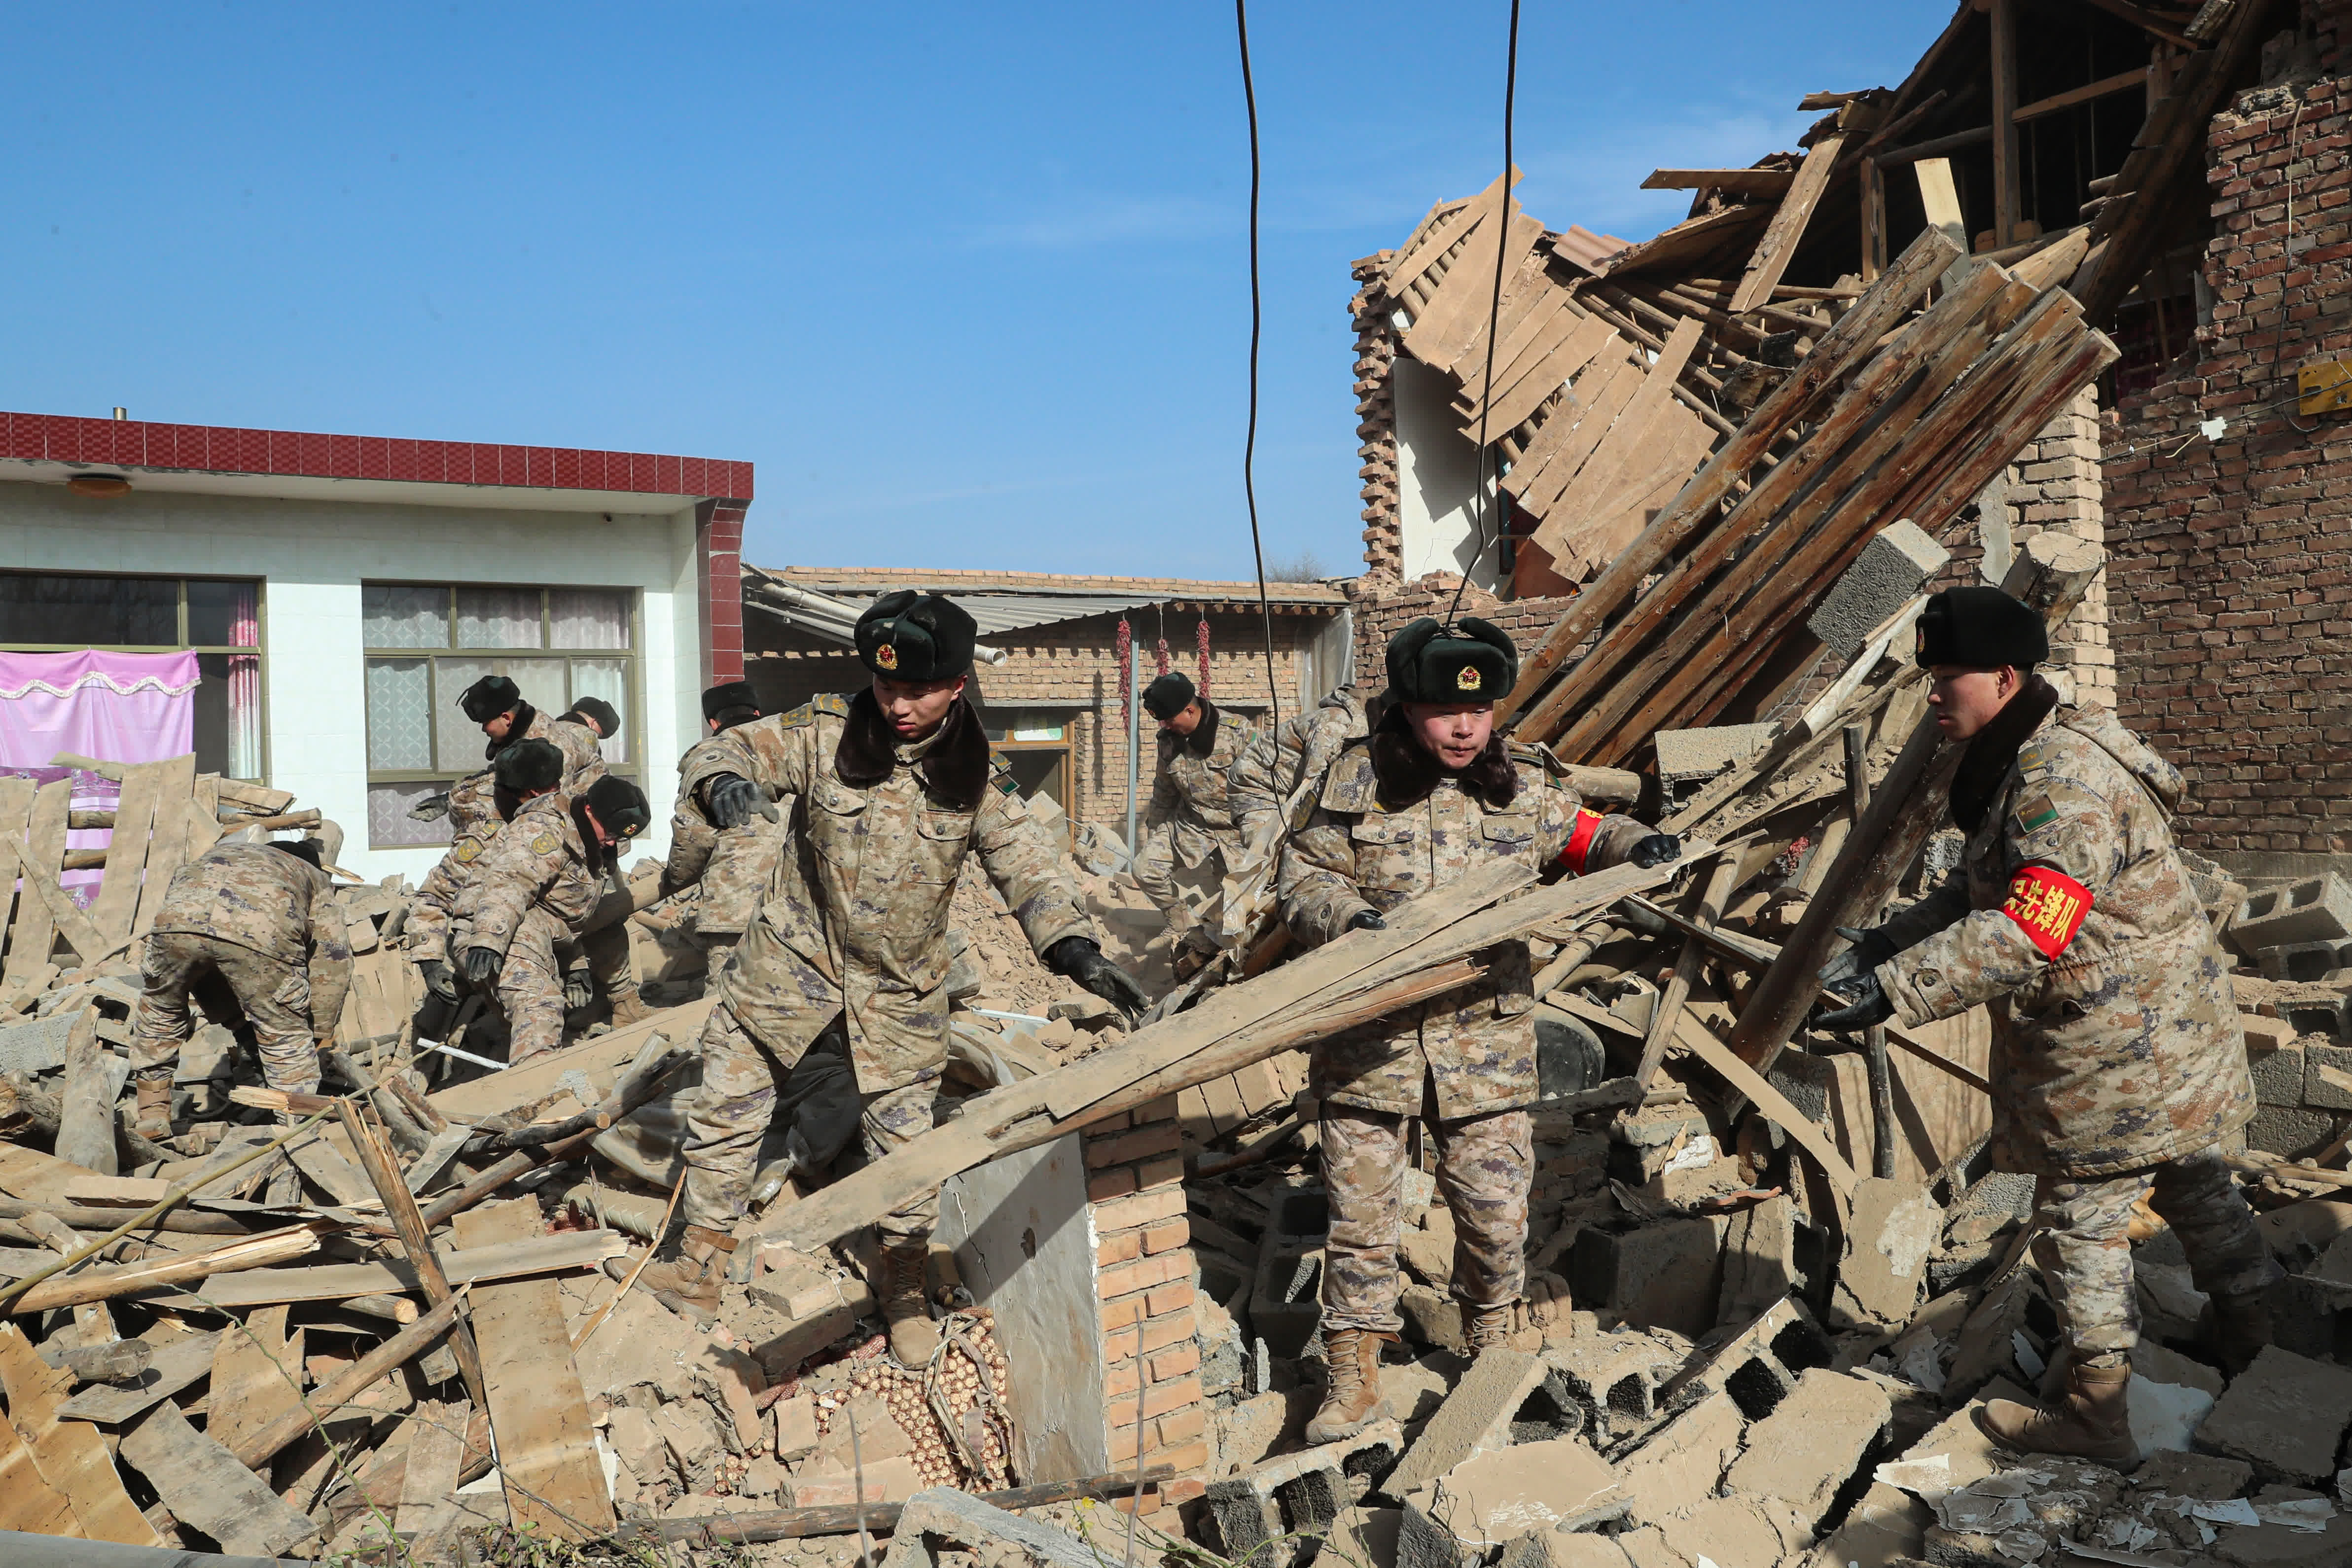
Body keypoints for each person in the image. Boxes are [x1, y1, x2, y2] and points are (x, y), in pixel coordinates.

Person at [1815, 585, 2271, 1467]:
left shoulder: (2059, 780)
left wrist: (1901, 990)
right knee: (2198, 1190)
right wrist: (1883, 944)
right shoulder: (2029, 749)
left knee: (2081, 1227)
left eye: (1949, 677)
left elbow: (2031, 926)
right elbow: (1981, 886)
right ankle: (2264, 1350)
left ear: (2006, 675)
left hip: (2118, 1050)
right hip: (2160, 1034)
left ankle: (2097, 1419)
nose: (1934, 695)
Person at [632, 590, 1151, 1354]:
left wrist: (1072, 948)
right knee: (724, 1121)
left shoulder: (977, 776)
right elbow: (726, 749)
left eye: (917, 690)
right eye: (886, 688)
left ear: (956, 684)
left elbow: (1029, 871)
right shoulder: (821, 736)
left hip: (900, 996)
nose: (898, 706)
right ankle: (699, 1265)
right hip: (784, 971)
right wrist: (722, 784)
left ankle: (903, 1285)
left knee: (905, 1153)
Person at [1278, 618, 1680, 1442]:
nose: (1465, 728)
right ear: (1406, 706)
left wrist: (1639, 844)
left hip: (1482, 1046)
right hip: (1371, 1045)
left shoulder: (1521, 782)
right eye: (1442, 711)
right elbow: (1301, 874)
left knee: (1496, 1215)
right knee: (1361, 1222)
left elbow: (1583, 837)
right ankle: (1353, 1374)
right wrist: (1349, 918)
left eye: (1482, 710)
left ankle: (1489, 1346)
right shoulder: (1354, 780)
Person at [450, 675, 649, 1025]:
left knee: (598, 918)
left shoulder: (549, 744)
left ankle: (622, 1002)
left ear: (507, 719)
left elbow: (552, 811)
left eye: (486, 724)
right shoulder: (523, 737)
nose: (485, 731)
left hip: (586, 842)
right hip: (560, 840)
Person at [128, 836, 351, 1136]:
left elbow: (208, 949)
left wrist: (239, 1023)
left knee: (161, 1010)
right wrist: (318, 1034)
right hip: (260, 933)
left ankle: (152, 1112)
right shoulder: (312, 876)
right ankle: (296, 1128)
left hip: (178, 924)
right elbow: (333, 961)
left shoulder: (217, 853)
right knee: (284, 1032)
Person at [455, 743, 651, 1068]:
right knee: (539, 1001)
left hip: (549, 925)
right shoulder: (543, 829)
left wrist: (576, 965)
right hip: (499, 926)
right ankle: (535, 1079)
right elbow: (510, 883)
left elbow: (569, 909)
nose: (614, 842)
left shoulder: (595, 831)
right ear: (590, 811)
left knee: (610, 921)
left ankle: (626, 1006)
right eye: (611, 832)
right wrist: (489, 941)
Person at [662, 680, 789, 992]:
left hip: (734, 907)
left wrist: (677, 879)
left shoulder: (710, 759)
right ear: (758, 713)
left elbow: (693, 835)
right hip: (794, 907)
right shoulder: (792, 752)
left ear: (713, 723)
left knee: (726, 1000)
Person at [1133, 671, 1256, 962]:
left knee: (1239, 905)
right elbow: (1164, 789)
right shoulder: (1168, 740)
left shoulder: (1237, 732)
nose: (1165, 726)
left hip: (1237, 830)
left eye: (1168, 720)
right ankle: (1179, 920)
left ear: (1190, 710)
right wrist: (1155, 836)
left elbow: (1267, 784)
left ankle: (1235, 958)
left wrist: (1262, 835)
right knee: (1145, 868)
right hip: (1192, 824)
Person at [1225, 682, 1389, 849]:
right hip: (1259, 788)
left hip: (1291, 789)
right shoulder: (1337, 726)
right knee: (1268, 857)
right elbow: (1314, 791)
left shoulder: (1366, 727)